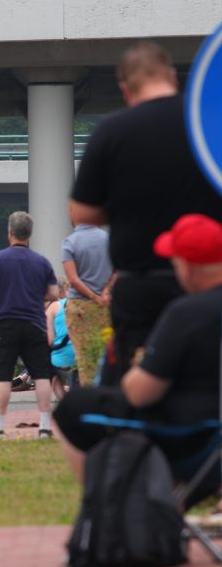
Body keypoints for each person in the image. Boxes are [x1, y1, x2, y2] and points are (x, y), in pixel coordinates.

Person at [70, 40, 222, 384]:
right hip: (209, 279)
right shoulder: (208, 125)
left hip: (141, 282)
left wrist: (123, 206)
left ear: (125, 88)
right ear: (172, 76)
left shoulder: (112, 131)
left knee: (134, 376)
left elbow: (82, 212)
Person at [54, 214, 222, 488]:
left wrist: (134, 370)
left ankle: (102, 507)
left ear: (189, 267)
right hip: (211, 430)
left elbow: (141, 392)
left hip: (192, 438)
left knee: (72, 407)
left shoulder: (185, 313)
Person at [0, 211, 60, 439]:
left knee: (2, 375)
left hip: (5, 324)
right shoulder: (41, 262)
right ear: (29, 235)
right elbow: (54, 292)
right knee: (41, 375)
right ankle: (44, 427)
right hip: (35, 323)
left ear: (9, 233)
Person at [61, 223, 115, 386]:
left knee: (84, 357)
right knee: (107, 353)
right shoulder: (108, 238)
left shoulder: (70, 242)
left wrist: (93, 296)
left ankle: (90, 398)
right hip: (106, 306)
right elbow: (117, 269)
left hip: (80, 307)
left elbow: (73, 279)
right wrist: (105, 292)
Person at [45, 280, 77, 401]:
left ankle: (63, 400)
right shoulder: (81, 305)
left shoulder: (53, 307)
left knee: (47, 366)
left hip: (62, 358)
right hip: (80, 355)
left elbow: (49, 340)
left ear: (58, 291)